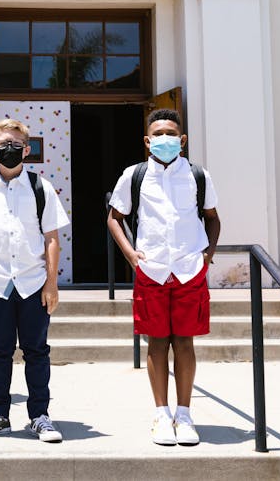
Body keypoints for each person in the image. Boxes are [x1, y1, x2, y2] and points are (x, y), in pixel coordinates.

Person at [106, 108, 221, 446]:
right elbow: (115, 217)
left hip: (188, 270)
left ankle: (184, 416)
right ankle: (161, 414)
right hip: (152, 269)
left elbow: (213, 218)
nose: (164, 140)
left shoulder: (198, 175)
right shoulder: (134, 175)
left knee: (184, 341)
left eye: (171, 134)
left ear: (182, 140)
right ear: (147, 141)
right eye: (158, 134)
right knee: (156, 341)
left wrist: (207, 254)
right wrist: (130, 254)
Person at [0, 118, 70, 443]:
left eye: (15, 145)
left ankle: (40, 416)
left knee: (37, 351)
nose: (9, 150)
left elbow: (51, 238)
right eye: (3, 145)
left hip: (33, 283)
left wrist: (51, 282)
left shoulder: (40, 188)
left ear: (27, 149)